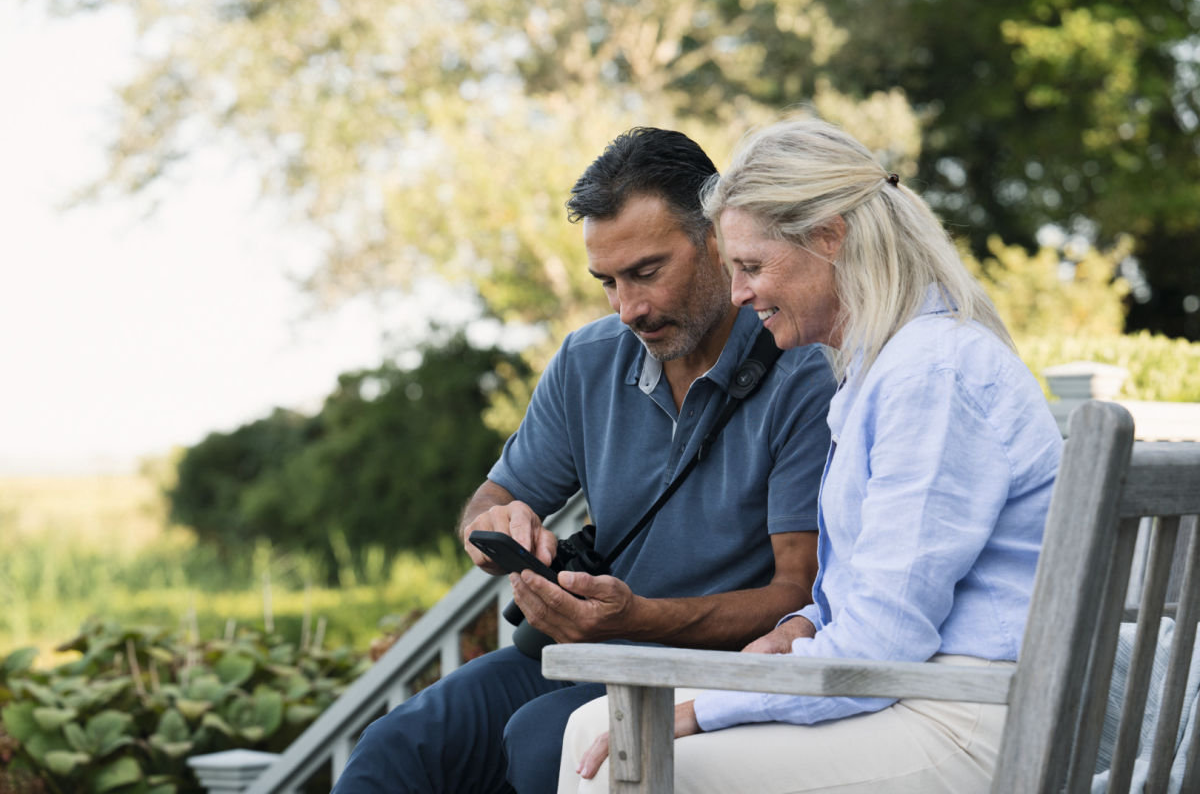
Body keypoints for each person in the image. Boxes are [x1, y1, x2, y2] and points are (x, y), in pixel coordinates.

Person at [559, 116, 1064, 794]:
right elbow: (880, 593)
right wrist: (802, 624)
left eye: (752, 266)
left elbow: (881, 644)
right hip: (918, 690)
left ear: (830, 238)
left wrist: (709, 708)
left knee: (629, 756)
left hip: (970, 719)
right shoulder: (885, 369)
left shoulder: (931, 374)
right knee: (590, 727)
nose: (739, 294)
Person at [331, 127, 837, 794]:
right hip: (589, 652)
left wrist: (637, 618)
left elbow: (796, 592)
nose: (629, 308)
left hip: (717, 668)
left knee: (543, 745)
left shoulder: (804, 366)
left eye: (648, 272)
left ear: (718, 240)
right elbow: (489, 501)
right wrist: (498, 527)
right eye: (608, 282)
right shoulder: (587, 359)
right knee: (397, 747)